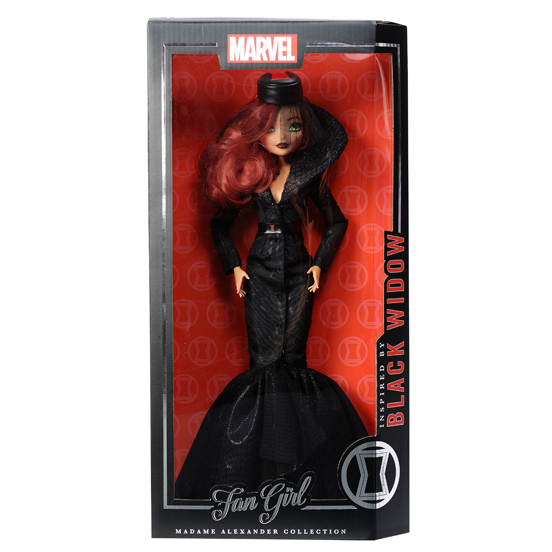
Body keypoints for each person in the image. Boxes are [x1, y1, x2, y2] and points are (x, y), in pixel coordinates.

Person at [175, 72, 367, 500]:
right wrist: (234, 267)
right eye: (271, 127)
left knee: (293, 359)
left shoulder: (307, 177)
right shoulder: (251, 174)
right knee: (264, 362)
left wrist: (318, 265)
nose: (282, 135)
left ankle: (297, 473)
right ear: (256, 132)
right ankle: (252, 471)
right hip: (258, 277)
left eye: (292, 125)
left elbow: (337, 223)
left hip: (300, 275)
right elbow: (220, 226)